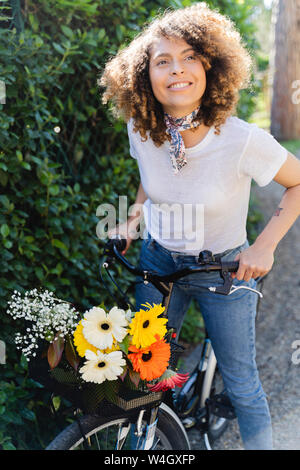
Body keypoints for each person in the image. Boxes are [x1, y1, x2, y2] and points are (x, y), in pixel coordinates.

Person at [99, 2, 300, 450]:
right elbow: (149, 183)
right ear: (143, 74)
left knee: (243, 385)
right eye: (163, 60)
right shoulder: (141, 125)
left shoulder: (241, 139)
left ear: (211, 66)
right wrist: (132, 220)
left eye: (190, 57)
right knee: (144, 378)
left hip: (226, 273)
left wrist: (264, 247)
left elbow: (298, 184)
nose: (177, 70)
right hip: (158, 263)